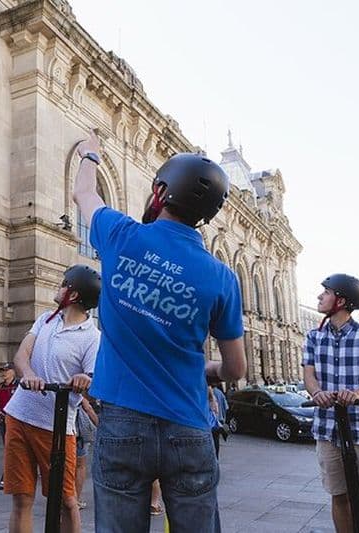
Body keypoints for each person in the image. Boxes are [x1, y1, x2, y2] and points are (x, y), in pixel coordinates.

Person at [72, 131, 246, 532]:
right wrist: (204, 370)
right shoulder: (221, 276)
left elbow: (84, 193)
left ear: (160, 191)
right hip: (189, 427)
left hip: (121, 426)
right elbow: (235, 369)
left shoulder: (121, 234)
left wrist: (91, 153)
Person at [2, 264, 101, 533]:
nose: (59, 287)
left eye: (64, 284)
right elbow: (22, 355)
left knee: (65, 500)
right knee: (21, 498)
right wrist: (29, 374)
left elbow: (94, 378)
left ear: (75, 294)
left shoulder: (92, 337)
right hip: (20, 415)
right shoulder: (46, 318)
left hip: (55, 426)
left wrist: (84, 380)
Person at [302, 274, 359, 533]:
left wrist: (356, 395)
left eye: (326, 292)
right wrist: (317, 393)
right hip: (327, 428)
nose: (320, 296)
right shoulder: (313, 337)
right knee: (339, 495)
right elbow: (309, 374)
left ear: (341, 300)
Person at [0, 361, 19, 490]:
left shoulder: (19, 385)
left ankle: (7, 477)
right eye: (2, 371)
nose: (4, 373)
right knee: (9, 448)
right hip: (4, 421)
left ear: (13, 371)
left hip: (16, 421)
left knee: (12, 449)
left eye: (6, 371)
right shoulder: (0, 387)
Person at [74, 397, 99, 510]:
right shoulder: (80, 397)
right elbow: (88, 409)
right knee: (80, 466)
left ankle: (63, 497)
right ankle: (75, 499)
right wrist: (101, 428)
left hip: (60, 431)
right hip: (78, 434)